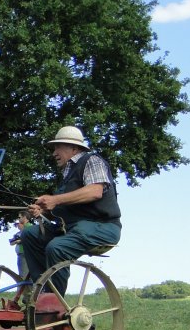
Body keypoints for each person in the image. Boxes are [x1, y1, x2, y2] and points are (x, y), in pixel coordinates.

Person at [22, 126, 122, 295]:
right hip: (73, 228)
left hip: (102, 227)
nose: (53, 153)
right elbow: (64, 206)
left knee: (57, 247)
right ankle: (42, 291)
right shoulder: (67, 175)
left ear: (74, 148)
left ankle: (54, 302)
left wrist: (55, 199)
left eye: (57, 147)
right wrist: (43, 210)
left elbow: (95, 191)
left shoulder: (92, 161)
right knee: (29, 235)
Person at [9, 210, 32, 279]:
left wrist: (19, 241)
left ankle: (24, 289)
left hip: (24, 253)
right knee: (26, 274)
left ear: (24, 217)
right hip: (23, 253)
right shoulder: (19, 232)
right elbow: (11, 243)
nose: (18, 219)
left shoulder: (29, 227)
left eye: (19, 217)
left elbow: (30, 238)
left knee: (23, 275)